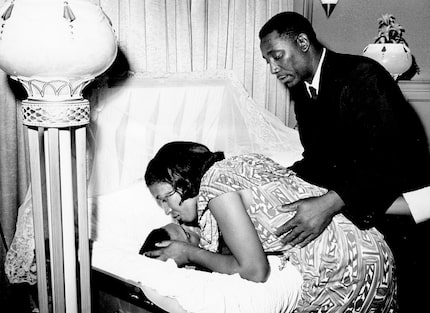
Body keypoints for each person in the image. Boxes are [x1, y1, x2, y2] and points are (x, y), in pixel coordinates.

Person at [258, 11, 430, 312]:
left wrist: (330, 202)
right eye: (268, 61)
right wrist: (281, 178)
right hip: (364, 199)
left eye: (277, 56)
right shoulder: (303, 89)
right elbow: (318, 158)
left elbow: (391, 160)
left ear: (302, 42)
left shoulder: (362, 74)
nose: (273, 68)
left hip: (406, 212)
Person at [143, 141, 397, 312]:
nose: (167, 210)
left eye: (165, 198)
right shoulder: (241, 163)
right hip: (372, 249)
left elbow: (255, 270)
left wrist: (189, 252)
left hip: (345, 269)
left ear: (181, 179)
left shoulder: (215, 188)